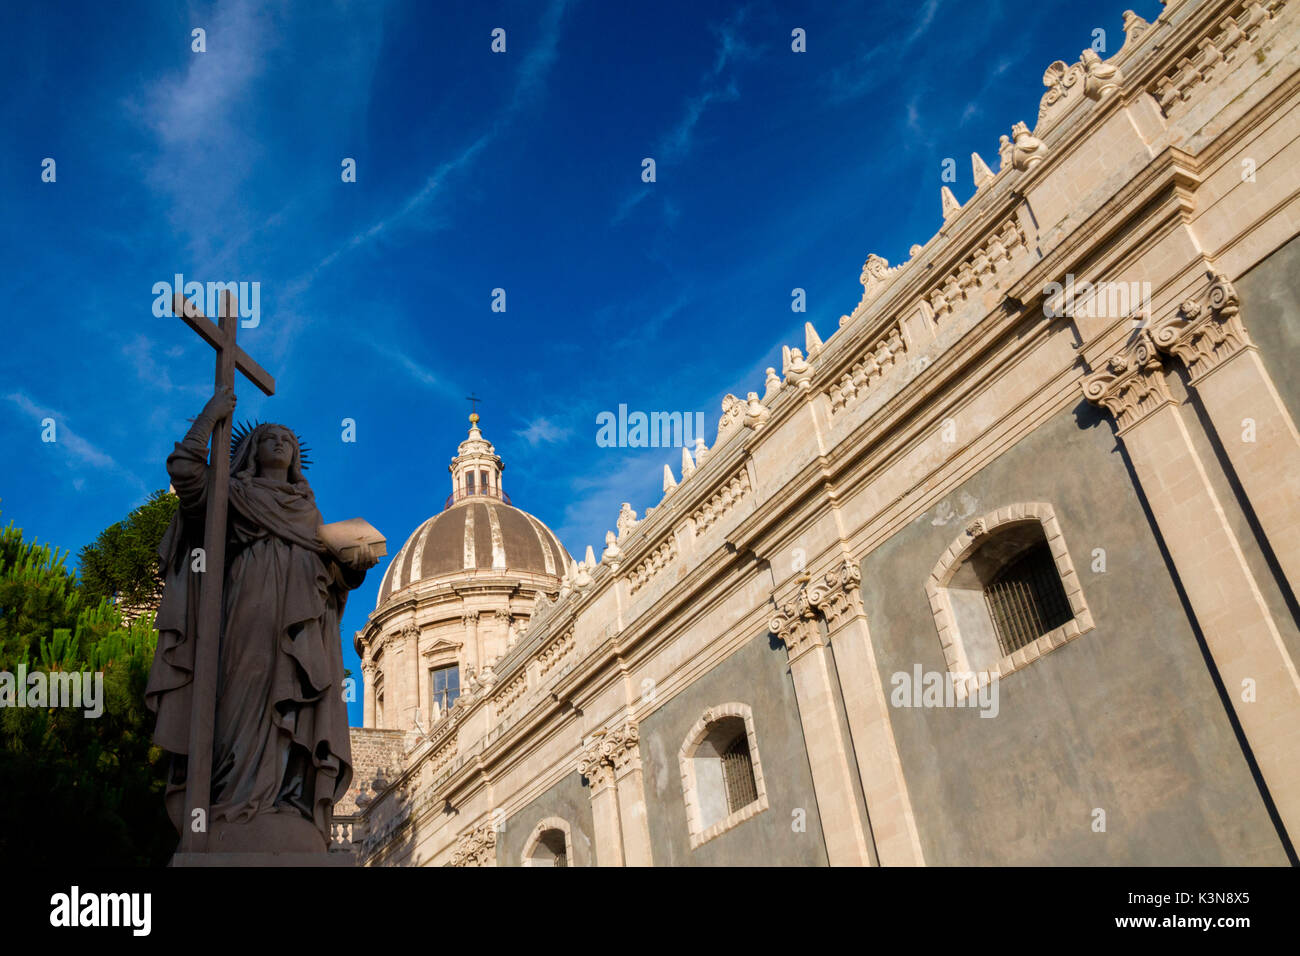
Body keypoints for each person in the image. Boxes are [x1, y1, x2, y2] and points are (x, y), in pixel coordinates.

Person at [146, 385, 377, 852]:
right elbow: (187, 472)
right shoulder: (232, 491)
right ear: (251, 450)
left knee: (296, 700)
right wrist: (210, 416)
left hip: (304, 616)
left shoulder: (307, 509)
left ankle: (287, 802)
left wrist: (352, 564)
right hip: (248, 601)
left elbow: (332, 573)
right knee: (240, 694)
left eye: (288, 442)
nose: (280, 444)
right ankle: (232, 799)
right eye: (270, 438)